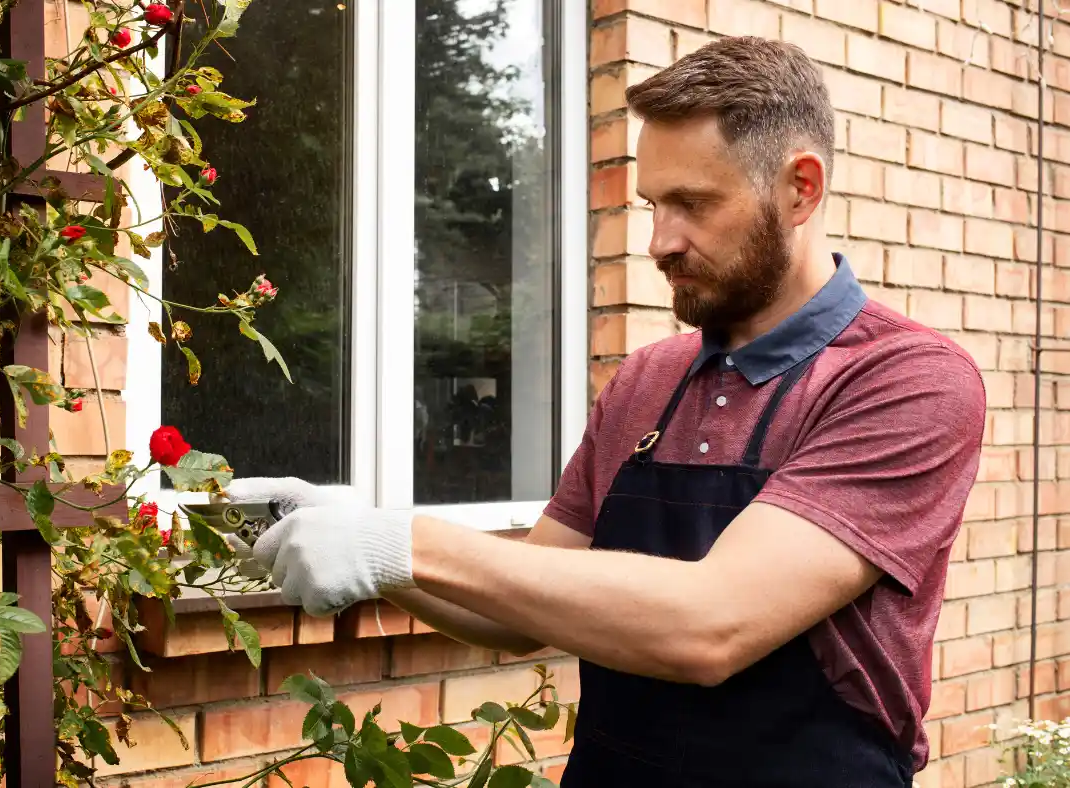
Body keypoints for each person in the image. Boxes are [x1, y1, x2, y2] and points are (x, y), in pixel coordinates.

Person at [226, 36, 985, 787]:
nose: (659, 241)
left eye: (693, 203)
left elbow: (711, 623)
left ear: (801, 189)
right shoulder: (647, 381)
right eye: (653, 203)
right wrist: (360, 537)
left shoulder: (905, 381)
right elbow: (518, 611)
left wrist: (402, 542)